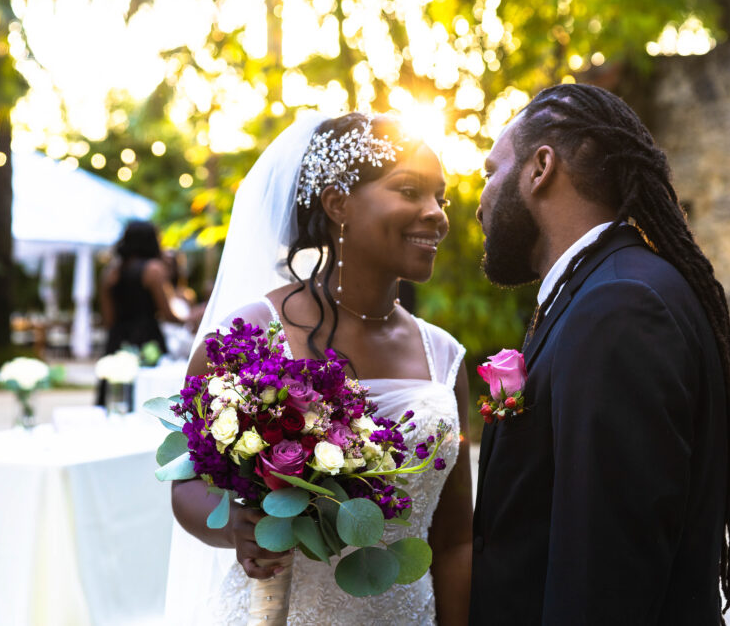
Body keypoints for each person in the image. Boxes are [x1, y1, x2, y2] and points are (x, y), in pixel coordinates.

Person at [167, 112, 473, 625]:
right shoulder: (247, 341)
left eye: (440, 197)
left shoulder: (444, 357)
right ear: (337, 204)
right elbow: (187, 485)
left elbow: (455, 538)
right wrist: (235, 528)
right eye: (409, 190)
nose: (436, 213)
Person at [471, 83, 730, 624]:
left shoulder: (618, 308)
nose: (480, 199)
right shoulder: (605, 290)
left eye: (491, 170)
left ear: (540, 168)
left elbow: (604, 575)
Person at [96, 220, 180, 405]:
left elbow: (108, 318)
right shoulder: (153, 269)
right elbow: (168, 314)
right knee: (147, 396)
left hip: (117, 339)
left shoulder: (111, 272)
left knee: (115, 395)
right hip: (147, 339)